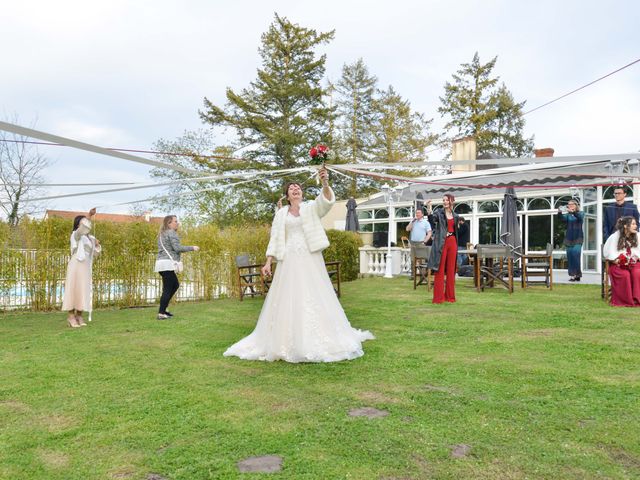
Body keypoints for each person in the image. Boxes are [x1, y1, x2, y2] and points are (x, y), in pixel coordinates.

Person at [224, 168, 374, 362]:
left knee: (315, 292)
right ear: (287, 195)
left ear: (301, 193)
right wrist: (269, 261)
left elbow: (326, 202)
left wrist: (325, 183)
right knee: (287, 295)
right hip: (288, 259)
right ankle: (284, 339)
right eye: (292, 188)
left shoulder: (311, 208)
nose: (295, 190)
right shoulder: (281, 214)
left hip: (310, 257)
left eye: (298, 188)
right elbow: (276, 238)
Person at [61, 207, 101, 327]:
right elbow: (82, 230)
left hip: (86, 266)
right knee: (73, 288)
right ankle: (71, 316)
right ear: (78, 225)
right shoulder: (76, 235)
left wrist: (97, 244)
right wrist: (89, 215)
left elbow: (95, 253)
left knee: (83, 289)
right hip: (76, 264)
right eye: (83, 222)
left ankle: (79, 315)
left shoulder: (91, 238)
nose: (87, 225)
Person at [155, 215, 199, 320]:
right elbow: (177, 248)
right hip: (167, 264)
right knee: (168, 288)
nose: (177, 223)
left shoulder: (162, 234)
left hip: (162, 264)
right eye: (175, 221)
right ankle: (161, 313)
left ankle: (164, 309)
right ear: (169, 223)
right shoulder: (171, 233)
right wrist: (192, 248)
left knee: (175, 285)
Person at [426, 194, 459, 304]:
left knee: (451, 270)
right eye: (443, 200)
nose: (445, 202)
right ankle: (438, 298)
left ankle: (450, 297)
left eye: (447, 200)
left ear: (451, 201)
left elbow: (456, 230)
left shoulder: (456, 215)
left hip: (453, 242)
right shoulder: (439, 213)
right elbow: (432, 221)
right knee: (439, 269)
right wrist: (429, 209)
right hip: (442, 242)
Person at [603, 216, 640, 306]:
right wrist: (617, 260)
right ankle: (625, 301)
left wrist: (635, 258)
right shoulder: (615, 237)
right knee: (625, 274)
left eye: (635, 224)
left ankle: (637, 299)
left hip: (634, 263)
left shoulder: (637, 236)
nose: (636, 226)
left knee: (637, 273)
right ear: (625, 226)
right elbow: (609, 253)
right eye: (633, 224)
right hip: (618, 264)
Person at [558, 200, 585, 282]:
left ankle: (577, 274)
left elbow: (579, 217)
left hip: (578, 238)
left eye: (571, 204)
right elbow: (561, 218)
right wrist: (559, 212)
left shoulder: (581, 213)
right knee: (570, 257)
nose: (569, 206)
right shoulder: (568, 215)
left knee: (575, 255)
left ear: (575, 205)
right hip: (568, 239)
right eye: (568, 204)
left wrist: (573, 212)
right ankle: (572, 275)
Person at [406, 207, 432, 278]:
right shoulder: (413, 222)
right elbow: (407, 229)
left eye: (418, 213)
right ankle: (413, 275)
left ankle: (422, 275)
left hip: (421, 243)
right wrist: (412, 222)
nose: (417, 214)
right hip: (413, 243)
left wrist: (425, 241)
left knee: (422, 260)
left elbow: (429, 233)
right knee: (412, 260)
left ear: (422, 214)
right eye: (416, 213)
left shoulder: (426, 222)